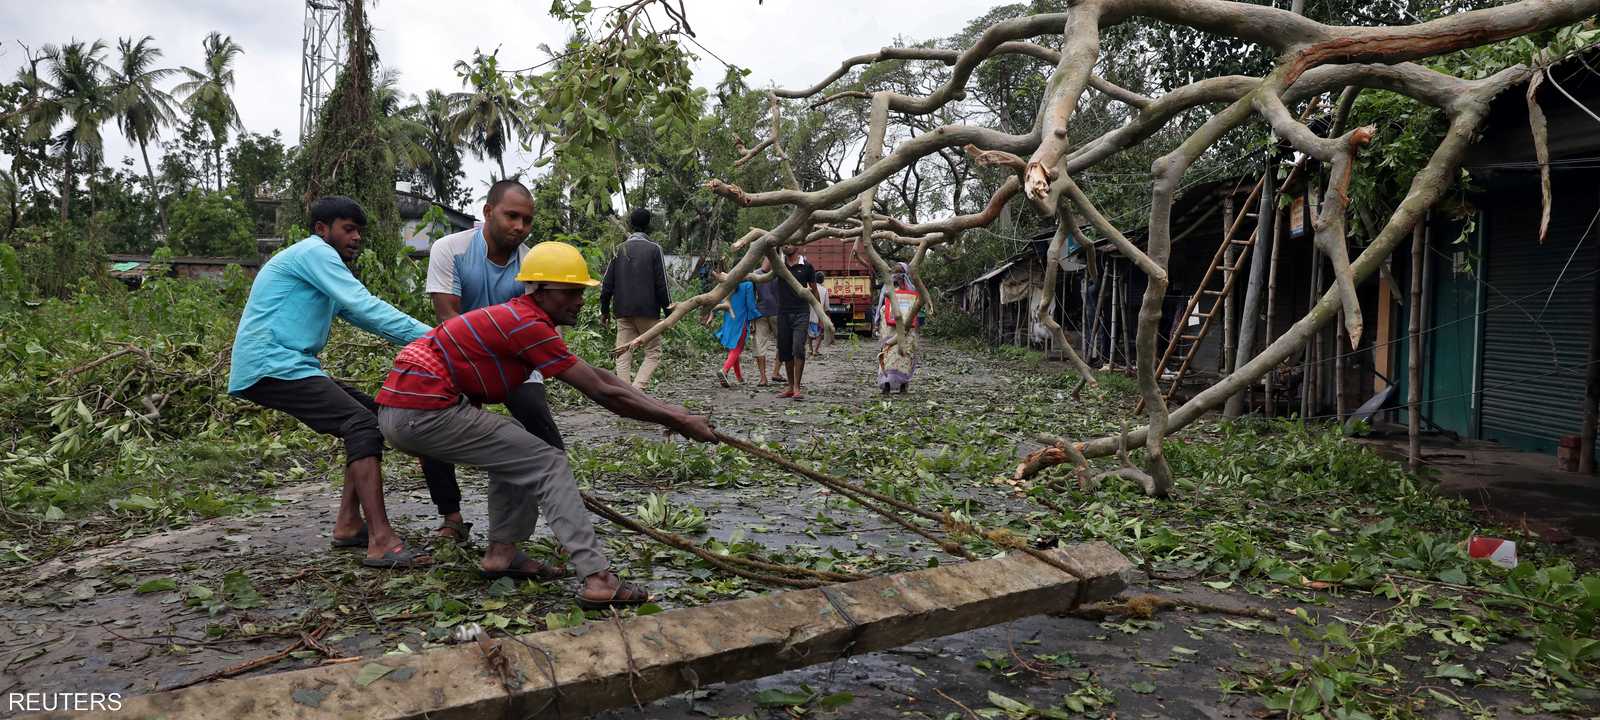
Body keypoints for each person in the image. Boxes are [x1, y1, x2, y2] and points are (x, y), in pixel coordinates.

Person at [376, 241, 718, 607]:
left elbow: (601, 376)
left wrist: (673, 413)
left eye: (580, 291)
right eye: (569, 292)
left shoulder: (524, 319)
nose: (580, 300)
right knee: (546, 460)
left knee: (517, 451)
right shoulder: (526, 325)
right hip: (421, 410)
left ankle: (501, 554)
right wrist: (678, 420)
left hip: (402, 410)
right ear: (539, 291)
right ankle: (598, 577)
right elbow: (603, 392)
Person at [229, 196, 432, 569]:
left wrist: (428, 340)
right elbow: (365, 304)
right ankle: (381, 540)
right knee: (362, 424)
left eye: (359, 231)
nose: (356, 238)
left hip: (288, 364)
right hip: (272, 364)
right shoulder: (314, 252)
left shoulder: (319, 265)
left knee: (372, 415)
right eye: (348, 229)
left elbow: (365, 318)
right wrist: (442, 338)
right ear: (323, 229)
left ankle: (349, 524)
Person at [420, 179, 564, 545]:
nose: (519, 226)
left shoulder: (531, 264)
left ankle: (564, 512)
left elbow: (537, 325)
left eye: (527, 220)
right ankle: (451, 517)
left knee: (540, 423)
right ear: (487, 212)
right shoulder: (449, 249)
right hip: (458, 354)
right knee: (433, 421)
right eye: (511, 216)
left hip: (514, 360)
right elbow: (448, 317)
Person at [600, 208, 671, 389]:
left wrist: (604, 311)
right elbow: (662, 284)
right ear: (649, 226)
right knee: (653, 353)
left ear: (630, 225)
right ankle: (637, 391)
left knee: (622, 354)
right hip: (648, 312)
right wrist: (669, 311)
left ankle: (626, 395)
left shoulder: (619, 249)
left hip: (623, 311)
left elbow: (606, 284)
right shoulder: (655, 249)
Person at [773, 244, 819, 400]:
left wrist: (820, 314)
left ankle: (798, 387)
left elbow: (814, 290)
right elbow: (764, 269)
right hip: (783, 313)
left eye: (790, 242)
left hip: (801, 313)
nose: (786, 245)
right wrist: (771, 246)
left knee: (798, 348)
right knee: (785, 350)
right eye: (783, 243)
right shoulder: (779, 265)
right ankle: (790, 387)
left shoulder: (807, 267)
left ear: (798, 245)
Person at [877, 262, 922, 394]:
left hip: (889, 328)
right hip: (906, 327)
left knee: (888, 352)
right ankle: (903, 385)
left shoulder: (887, 290)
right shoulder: (912, 292)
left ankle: (886, 385)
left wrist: (877, 323)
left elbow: (881, 309)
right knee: (905, 354)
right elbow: (916, 312)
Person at [714, 276, 759, 387]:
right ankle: (724, 370)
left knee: (733, 350)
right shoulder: (747, 285)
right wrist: (754, 318)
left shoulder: (728, 284)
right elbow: (750, 305)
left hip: (729, 320)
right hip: (740, 321)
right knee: (737, 349)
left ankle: (739, 377)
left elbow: (720, 300)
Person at [750, 255, 783, 386]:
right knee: (759, 345)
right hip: (760, 314)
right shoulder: (755, 275)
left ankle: (775, 372)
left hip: (777, 313)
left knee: (783, 343)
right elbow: (751, 296)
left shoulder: (779, 273)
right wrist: (751, 319)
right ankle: (763, 377)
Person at [808, 271, 830, 356]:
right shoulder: (824, 290)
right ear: (823, 280)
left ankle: (810, 349)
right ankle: (815, 350)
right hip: (819, 314)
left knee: (809, 333)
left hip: (810, 313)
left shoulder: (810, 288)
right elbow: (827, 305)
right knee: (819, 333)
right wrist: (827, 314)